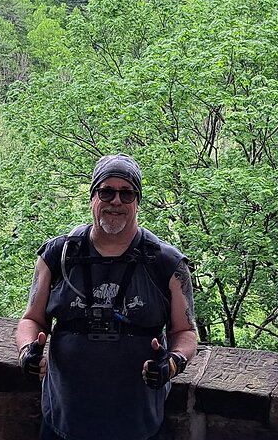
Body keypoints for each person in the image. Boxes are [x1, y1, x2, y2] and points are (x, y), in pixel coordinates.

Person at [16, 153, 197, 440]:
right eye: (106, 191)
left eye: (127, 193)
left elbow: (185, 331)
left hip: (139, 425)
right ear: (92, 197)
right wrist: (28, 351)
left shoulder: (167, 264)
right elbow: (32, 320)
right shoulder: (58, 256)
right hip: (63, 422)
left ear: (138, 201)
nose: (116, 201)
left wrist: (172, 363)